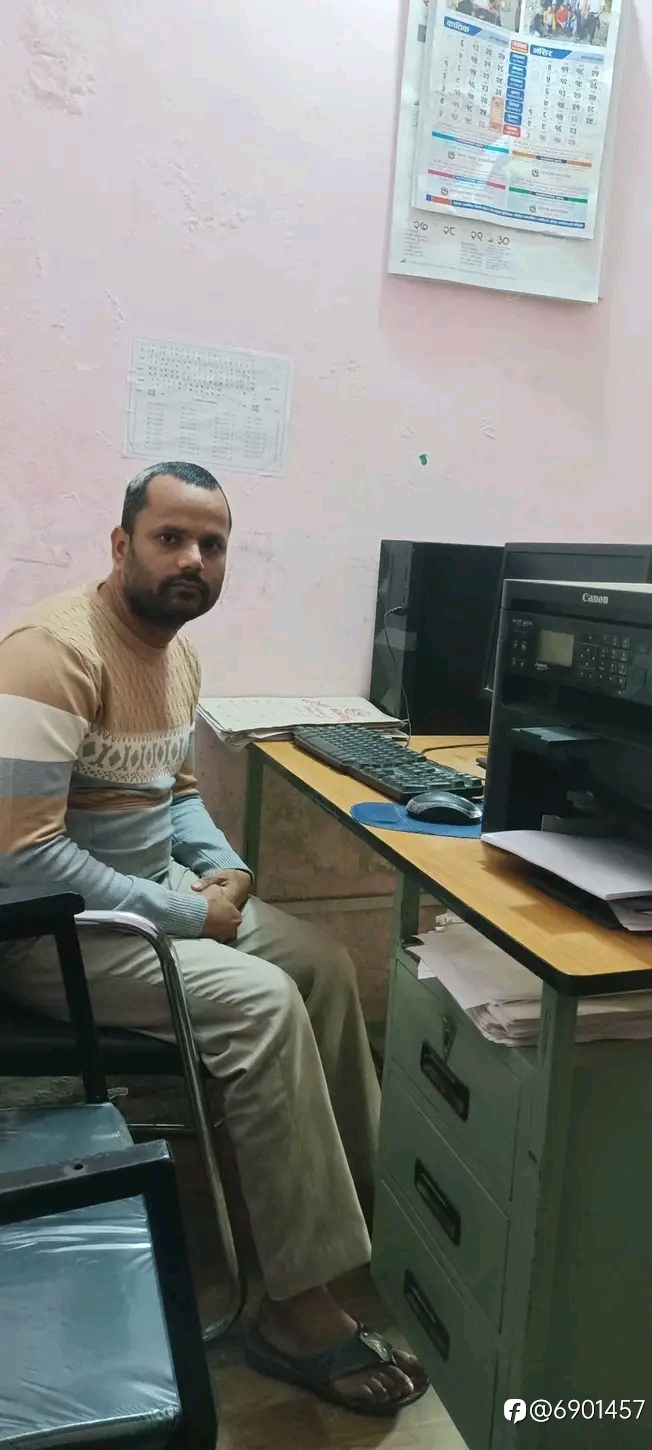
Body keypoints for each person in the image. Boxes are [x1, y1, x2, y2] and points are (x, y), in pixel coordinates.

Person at [0, 462, 428, 1417]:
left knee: (320, 967)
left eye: (213, 544)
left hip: (148, 896)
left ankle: (355, 1226)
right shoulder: (50, 653)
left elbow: (179, 795)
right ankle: (295, 1312)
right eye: (170, 538)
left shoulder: (178, 653)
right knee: (263, 1003)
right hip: (50, 933)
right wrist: (195, 915)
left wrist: (227, 871)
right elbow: (23, 856)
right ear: (121, 545)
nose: (193, 559)